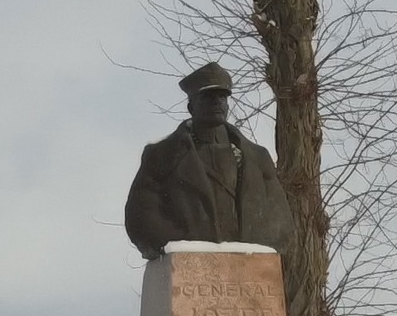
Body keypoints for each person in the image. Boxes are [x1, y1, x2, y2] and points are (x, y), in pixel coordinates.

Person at [123, 62, 294, 259]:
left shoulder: (256, 157)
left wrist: (258, 248)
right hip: (189, 261)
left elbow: (281, 219)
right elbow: (142, 215)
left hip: (249, 263)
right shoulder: (161, 155)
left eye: (222, 97)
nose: (216, 102)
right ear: (191, 107)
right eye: (208, 97)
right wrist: (184, 243)